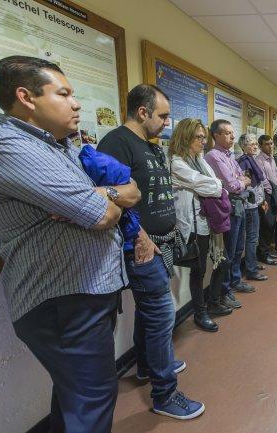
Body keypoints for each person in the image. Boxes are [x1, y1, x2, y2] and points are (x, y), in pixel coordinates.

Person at [0, 56, 140, 432]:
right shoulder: (8, 146)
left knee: (79, 396)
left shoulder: (61, 147)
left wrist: (98, 196)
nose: (76, 104)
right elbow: (102, 215)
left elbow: (131, 191)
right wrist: (102, 201)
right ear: (26, 97)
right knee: (92, 399)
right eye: (64, 94)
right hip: (62, 301)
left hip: (82, 294)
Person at [98, 84, 204, 419]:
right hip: (140, 247)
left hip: (161, 243)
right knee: (161, 314)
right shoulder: (117, 143)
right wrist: (141, 236)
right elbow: (112, 195)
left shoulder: (151, 146)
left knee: (149, 312)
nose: (167, 122)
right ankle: (164, 393)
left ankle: (145, 365)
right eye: (162, 115)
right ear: (142, 112)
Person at [169, 118, 232, 332]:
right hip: (192, 226)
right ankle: (200, 312)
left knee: (216, 264)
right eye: (198, 137)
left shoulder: (200, 159)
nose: (203, 141)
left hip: (207, 223)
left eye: (204, 137)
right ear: (185, 137)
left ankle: (212, 303)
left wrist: (214, 185)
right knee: (197, 271)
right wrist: (215, 185)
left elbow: (213, 185)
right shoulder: (177, 162)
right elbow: (210, 186)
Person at [205, 119, 254, 308]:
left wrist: (241, 180)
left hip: (239, 204)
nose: (232, 136)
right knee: (229, 251)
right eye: (227, 133)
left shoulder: (230, 156)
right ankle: (224, 291)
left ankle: (234, 282)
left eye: (233, 133)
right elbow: (233, 184)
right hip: (228, 207)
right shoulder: (214, 156)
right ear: (216, 135)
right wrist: (241, 181)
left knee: (237, 248)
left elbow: (243, 176)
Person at [237, 133, 269, 281]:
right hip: (249, 206)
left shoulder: (251, 159)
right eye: (251, 144)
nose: (255, 146)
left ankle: (252, 263)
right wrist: (258, 200)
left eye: (256, 143)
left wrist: (262, 200)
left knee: (252, 238)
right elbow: (247, 186)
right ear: (243, 146)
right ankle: (251, 270)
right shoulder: (244, 162)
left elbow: (258, 184)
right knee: (252, 238)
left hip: (255, 203)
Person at [255, 134, 277, 266]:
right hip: (266, 196)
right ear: (261, 146)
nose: (270, 146)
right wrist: (273, 191)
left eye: (271, 143)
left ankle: (266, 251)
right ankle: (263, 254)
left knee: (272, 224)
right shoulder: (259, 160)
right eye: (267, 144)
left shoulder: (271, 158)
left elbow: (276, 176)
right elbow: (263, 180)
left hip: (274, 193)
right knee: (266, 225)